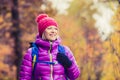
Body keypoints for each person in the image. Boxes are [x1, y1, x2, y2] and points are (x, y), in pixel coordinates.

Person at [19, 13, 80, 80]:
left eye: (55, 29)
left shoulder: (65, 51)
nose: (53, 31)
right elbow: (24, 78)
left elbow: (75, 76)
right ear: (42, 32)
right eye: (49, 28)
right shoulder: (32, 53)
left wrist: (69, 65)